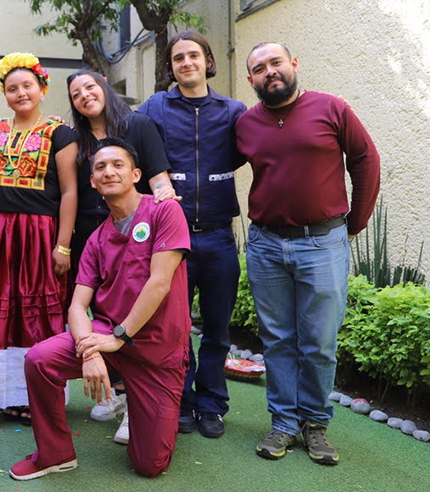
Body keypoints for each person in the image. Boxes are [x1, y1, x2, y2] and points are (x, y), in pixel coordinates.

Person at [9, 138, 191, 480]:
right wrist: (89, 351)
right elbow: (77, 305)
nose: (109, 172)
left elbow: (160, 283)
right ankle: (54, 453)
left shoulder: (165, 211)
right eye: (100, 167)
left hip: (157, 350)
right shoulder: (96, 239)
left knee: (149, 466)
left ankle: (141, 409)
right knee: (40, 359)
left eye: (118, 165)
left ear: (136, 174)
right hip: (107, 339)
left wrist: (119, 337)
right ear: (92, 181)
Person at [236, 42, 380, 465]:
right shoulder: (245, 124)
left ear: (294, 65)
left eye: (276, 63)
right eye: (259, 69)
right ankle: (283, 423)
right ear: (251, 81)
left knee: (318, 342)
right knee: (278, 340)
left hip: (322, 242)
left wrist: (357, 220)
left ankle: (315, 425)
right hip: (265, 244)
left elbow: (365, 159)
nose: (270, 72)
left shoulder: (332, 109)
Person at [138, 30, 247, 439]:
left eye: (193, 56)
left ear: (207, 61)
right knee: (176, 328)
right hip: (171, 241)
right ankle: (181, 401)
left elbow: (246, 151)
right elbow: (138, 151)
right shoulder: (154, 108)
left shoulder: (233, 110)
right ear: (172, 66)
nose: (186, 63)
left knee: (217, 329)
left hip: (218, 236)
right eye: (178, 58)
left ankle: (212, 405)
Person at [0, 52, 78, 424]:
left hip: (38, 235)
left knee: (34, 314)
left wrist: (63, 244)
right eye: (12, 88)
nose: (20, 93)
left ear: (42, 88)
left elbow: (70, 192)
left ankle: (37, 395)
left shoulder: (60, 134)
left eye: (27, 85)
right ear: (4, 93)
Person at [66, 69, 176, 437]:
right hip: (92, 234)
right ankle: (110, 390)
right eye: (76, 94)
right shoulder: (76, 140)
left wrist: (166, 205)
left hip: (137, 232)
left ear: (104, 89)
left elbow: (159, 178)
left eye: (90, 87)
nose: (84, 95)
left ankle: (136, 400)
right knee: (97, 310)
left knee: (135, 307)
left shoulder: (137, 124)